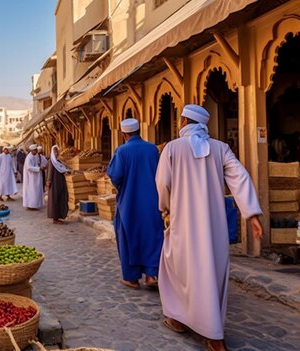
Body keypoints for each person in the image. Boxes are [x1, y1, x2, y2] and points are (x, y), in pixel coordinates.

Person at [155, 104, 263, 351]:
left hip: (182, 223)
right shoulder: (220, 148)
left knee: (177, 269)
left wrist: (166, 208)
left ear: (183, 122)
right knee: (209, 273)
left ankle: (207, 332)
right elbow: (240, 177)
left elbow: (162, 183)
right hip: (214, 226)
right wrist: (252, 213)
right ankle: (192, 322)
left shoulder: (172, 148)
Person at [107, 119, 164, 289]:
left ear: (124, 134)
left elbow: (115, 176)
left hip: (129, 202)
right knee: (152, 235)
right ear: (139, 130)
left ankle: (131, 278)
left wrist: (122, 187)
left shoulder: (122, 151)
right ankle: (151, 275)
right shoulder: (152, 149)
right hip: (152, 201)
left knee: (127, 236)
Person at [46, 145, 70, 225]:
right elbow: (49, 172)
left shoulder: (58, 162)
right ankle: (55, 218)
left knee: (62, 198)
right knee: (54, 200)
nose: (56, 153)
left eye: (57, 151)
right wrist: (48, 180)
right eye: (55, 151)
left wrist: (67, 171)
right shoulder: (51, 162)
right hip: (54, 183)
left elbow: (62, 169)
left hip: (61, 182)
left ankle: (60, 216)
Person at [23, 145, 44, 210]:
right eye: (35, 150)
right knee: (32, 191)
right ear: (31, 150)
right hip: (31, 178)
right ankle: (31, 205)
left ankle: (35, 205)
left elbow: (39, 162)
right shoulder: (29, 157)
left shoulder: (36, 156)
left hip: (36, 176)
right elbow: (29, 167)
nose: (36, 151)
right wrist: (38, 168)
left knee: (36, 191)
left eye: (36, 150)